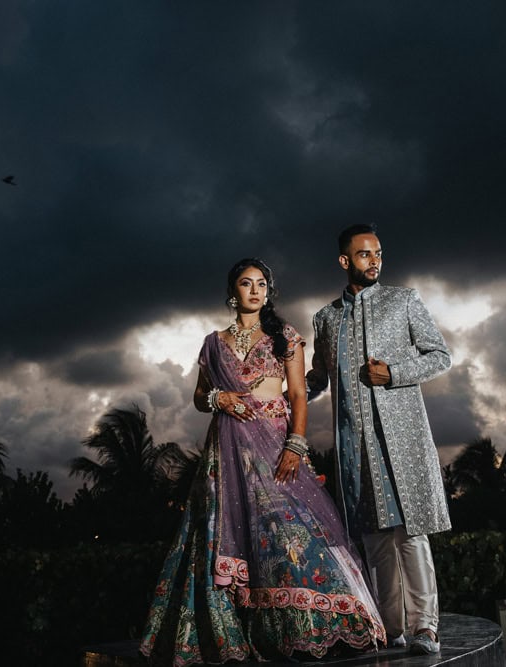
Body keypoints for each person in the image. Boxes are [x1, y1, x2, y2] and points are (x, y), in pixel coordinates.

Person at [140, 258, 385, 666]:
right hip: (228, 451)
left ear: (269, 292)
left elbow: (299, 396)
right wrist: (219, 398)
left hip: (275, 445)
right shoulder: (213, 342)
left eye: (262, 284)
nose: (255, 290)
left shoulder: (284, 336)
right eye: (246, 283)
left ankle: (322, 623)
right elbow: (201, 396)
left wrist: (296, 445)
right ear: (231, 291)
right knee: (225, 534)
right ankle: (241, 631)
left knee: (291, 529)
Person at [307, 224, 452, 656]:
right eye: (365, 254)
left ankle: (425, 627)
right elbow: (318, 377)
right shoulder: (326, 318)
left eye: (378, 253)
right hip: (354, 445)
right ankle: (391, 629)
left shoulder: (403, 300)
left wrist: (395, 373)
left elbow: (440, 355)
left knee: (411, 534)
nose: (375, 261)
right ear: (345, 261)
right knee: (374, 538)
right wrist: (279, 392)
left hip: (401, 439)